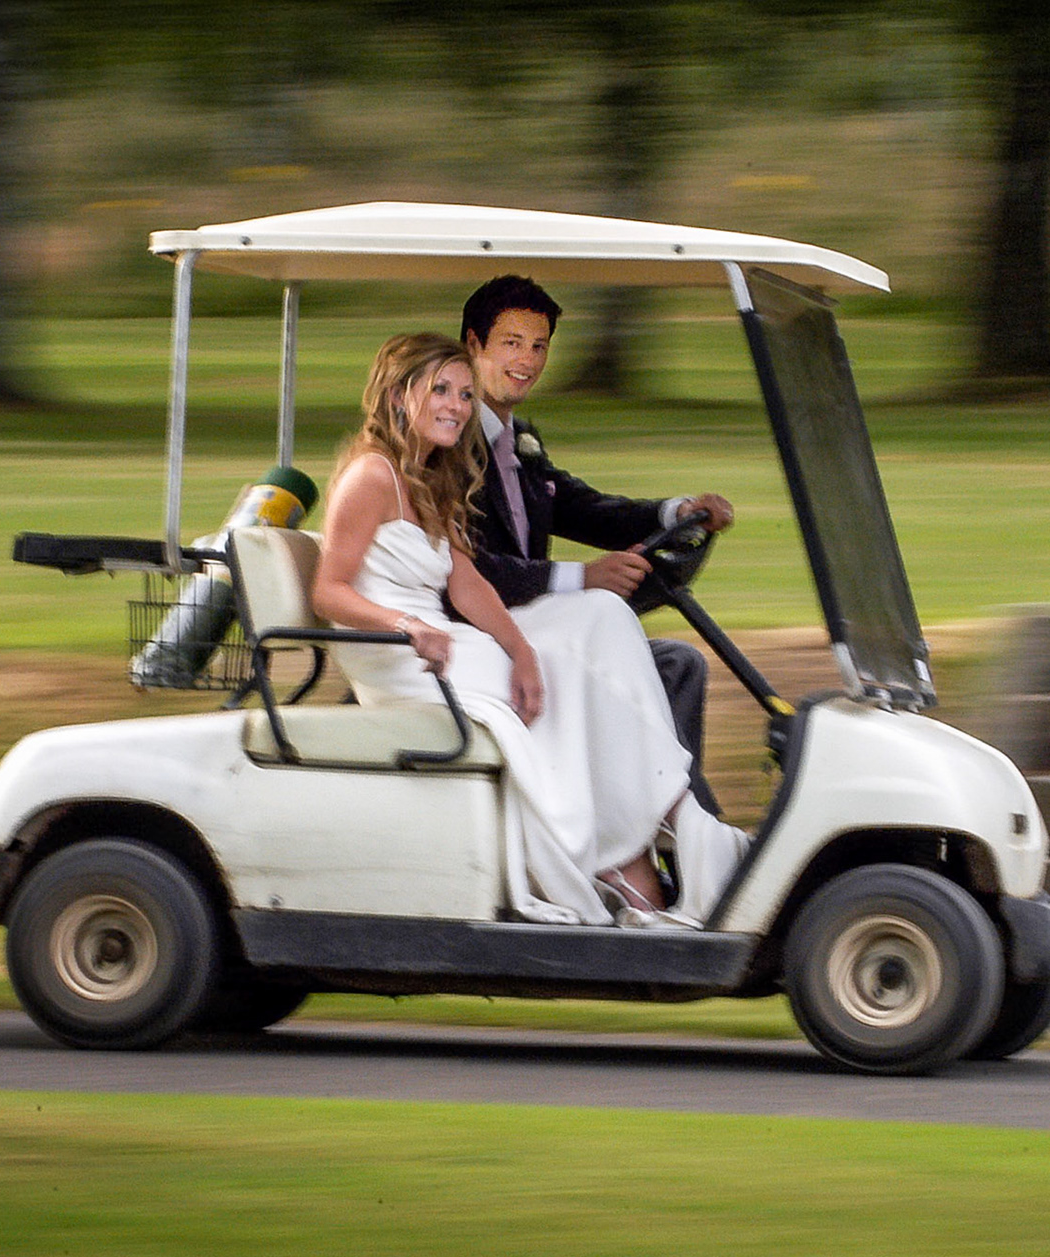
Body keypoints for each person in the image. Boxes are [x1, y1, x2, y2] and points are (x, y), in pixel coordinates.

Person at [311, 333, 748, 928]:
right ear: (397, 396)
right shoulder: (370, 475)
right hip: (398, 654)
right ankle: (615, 858)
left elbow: (466, 582)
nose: (457, 406)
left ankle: (659, 820)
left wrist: (520, 651)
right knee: (567, 686)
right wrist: (406, 625)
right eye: (440, 390)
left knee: (598, 615)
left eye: (465, 394)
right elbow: (328, 590)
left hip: (438, 641)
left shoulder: (428, 475)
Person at [460, 275, 733, 814]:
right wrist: (581, 578)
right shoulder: (448, 443)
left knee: (679, 664)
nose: (528, 361)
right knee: (630, 641)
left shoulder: (516, 439)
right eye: (512, 343)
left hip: (535, 624)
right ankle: (677, 821)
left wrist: (673, 513)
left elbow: (578, 507)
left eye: (539, 346)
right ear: (474, 344)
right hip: (488, 637)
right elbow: (469, 569)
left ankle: (669, 819)